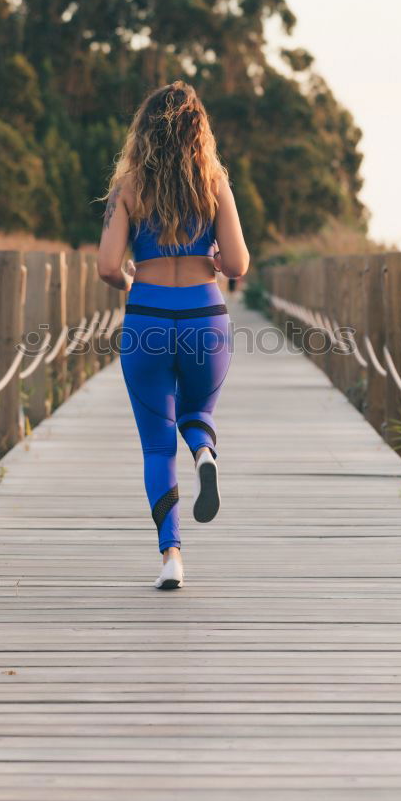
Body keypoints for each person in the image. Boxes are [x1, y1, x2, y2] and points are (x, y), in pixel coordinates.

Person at [97, 81, 249, 589]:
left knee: (157, 448)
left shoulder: (128, 189)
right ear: (198, 132)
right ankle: (205, 454)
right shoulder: (215, 185)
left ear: (144, 132)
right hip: (206, 318)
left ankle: (171, 558)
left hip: (148, 320)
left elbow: (106, 267)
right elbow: (238, 264)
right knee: (197, 414)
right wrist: (212, 258)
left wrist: (129, 278)